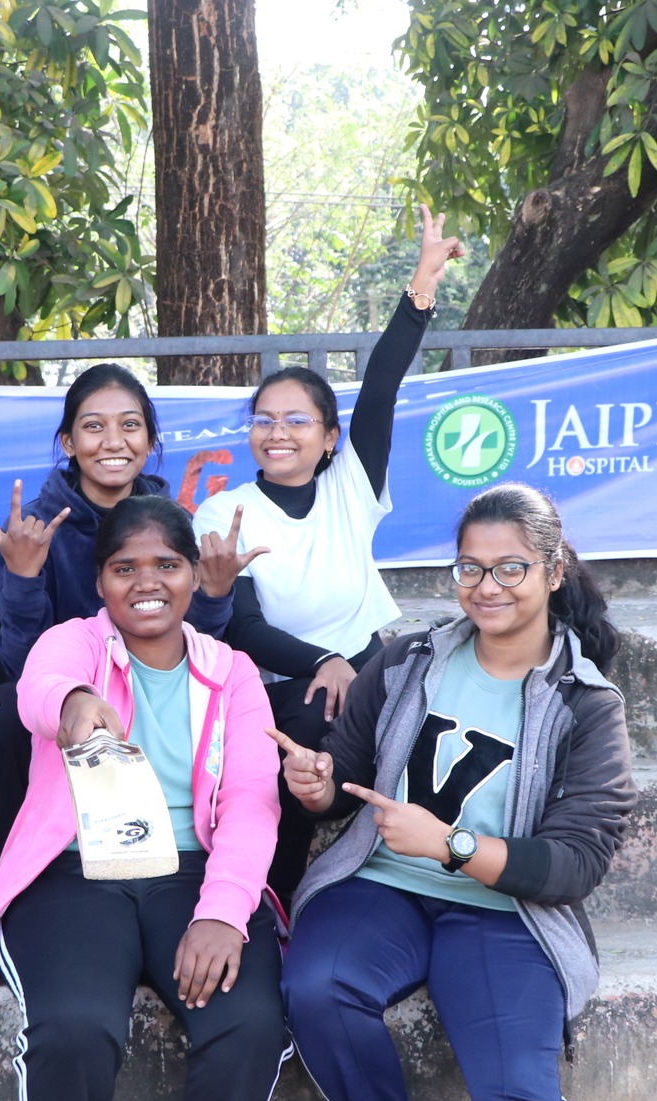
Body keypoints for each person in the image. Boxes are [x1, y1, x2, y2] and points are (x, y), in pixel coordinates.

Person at [270, 485, 635, 1101]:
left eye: (510, 568)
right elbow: (348, 775)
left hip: (505, 913)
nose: (487, 586)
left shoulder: (586, 704)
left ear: (553, 570)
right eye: (471, 567)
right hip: (384, 887)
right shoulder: (409, 659)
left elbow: (577, 860)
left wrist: (455, 844)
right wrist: (318, 785)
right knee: (315, 986)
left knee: (519, 1094)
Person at [0, 497, 287, 1101]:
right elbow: (40, 689)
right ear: (101, 580)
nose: (147, 583)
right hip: (76, 873)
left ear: (193, 576)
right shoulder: (73, 644)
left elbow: (253, 802)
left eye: (166, 566)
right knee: (75, 1026)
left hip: (193, 876)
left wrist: (223, 911)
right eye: (125, 568)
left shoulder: (233, 673)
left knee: (252, 1024)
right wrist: (77, 706)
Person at [192, 208, 464, 909]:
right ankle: (272, 902)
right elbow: (241, 626)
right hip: (282, 685)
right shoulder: (222, 513)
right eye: (264, 420)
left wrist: (421, 286)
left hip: (368, 665)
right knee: (298, 744)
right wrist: (322, 661)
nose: (277, 432)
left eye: (296, 420)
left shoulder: (351, 483)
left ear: (329, 436)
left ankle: (436, 882)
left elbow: (381, 387)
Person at [0, 365, 246, 865]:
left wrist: (215, 593)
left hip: (156, 686)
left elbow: (200, 644)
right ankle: (14, 879)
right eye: (94, 426)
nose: (113, 441)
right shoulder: (33, 529)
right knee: (3, 711)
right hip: (67, 695)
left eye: (130, 425)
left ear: (149, 441)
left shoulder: (174, 523)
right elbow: (21, 666)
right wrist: (23, 577)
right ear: (69, 441)